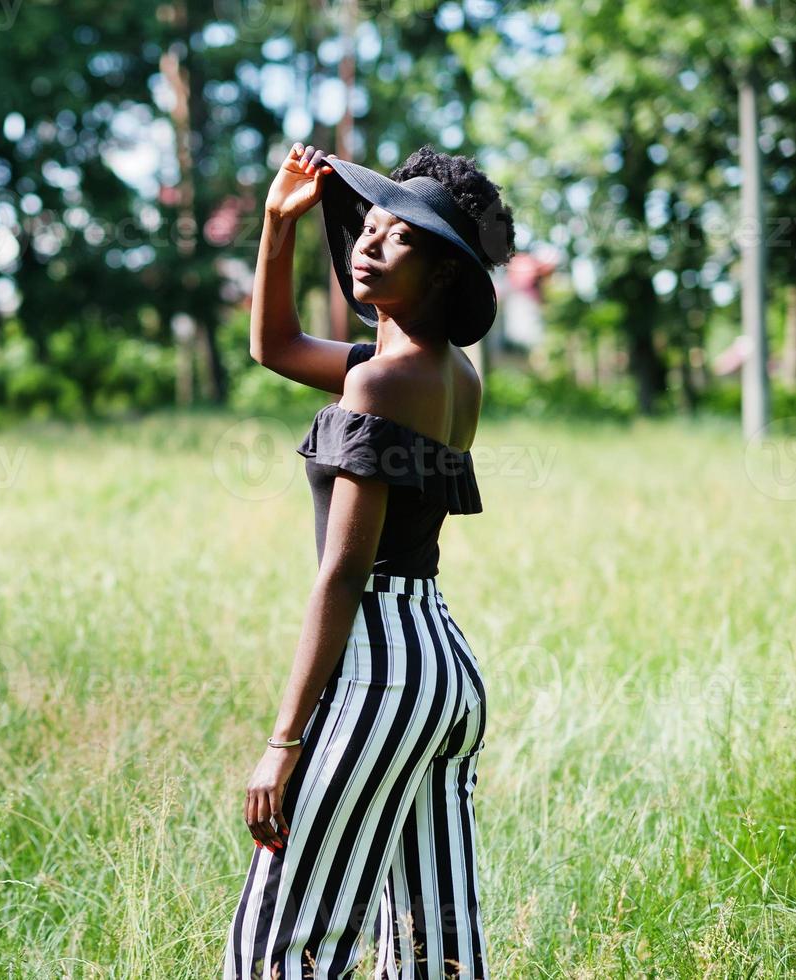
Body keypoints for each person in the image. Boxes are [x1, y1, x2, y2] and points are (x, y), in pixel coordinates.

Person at [222, 142, 517, 980]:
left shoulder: (382, 385)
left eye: (400, 239)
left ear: (444, 276)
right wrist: (277, 227)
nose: (366, 243)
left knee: (282, 948)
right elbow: (275, 346)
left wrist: (283, 742)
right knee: (434, 953)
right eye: (367, 226)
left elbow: (343, 573)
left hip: (378, 669)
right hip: (442, 674)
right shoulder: (444, 373)